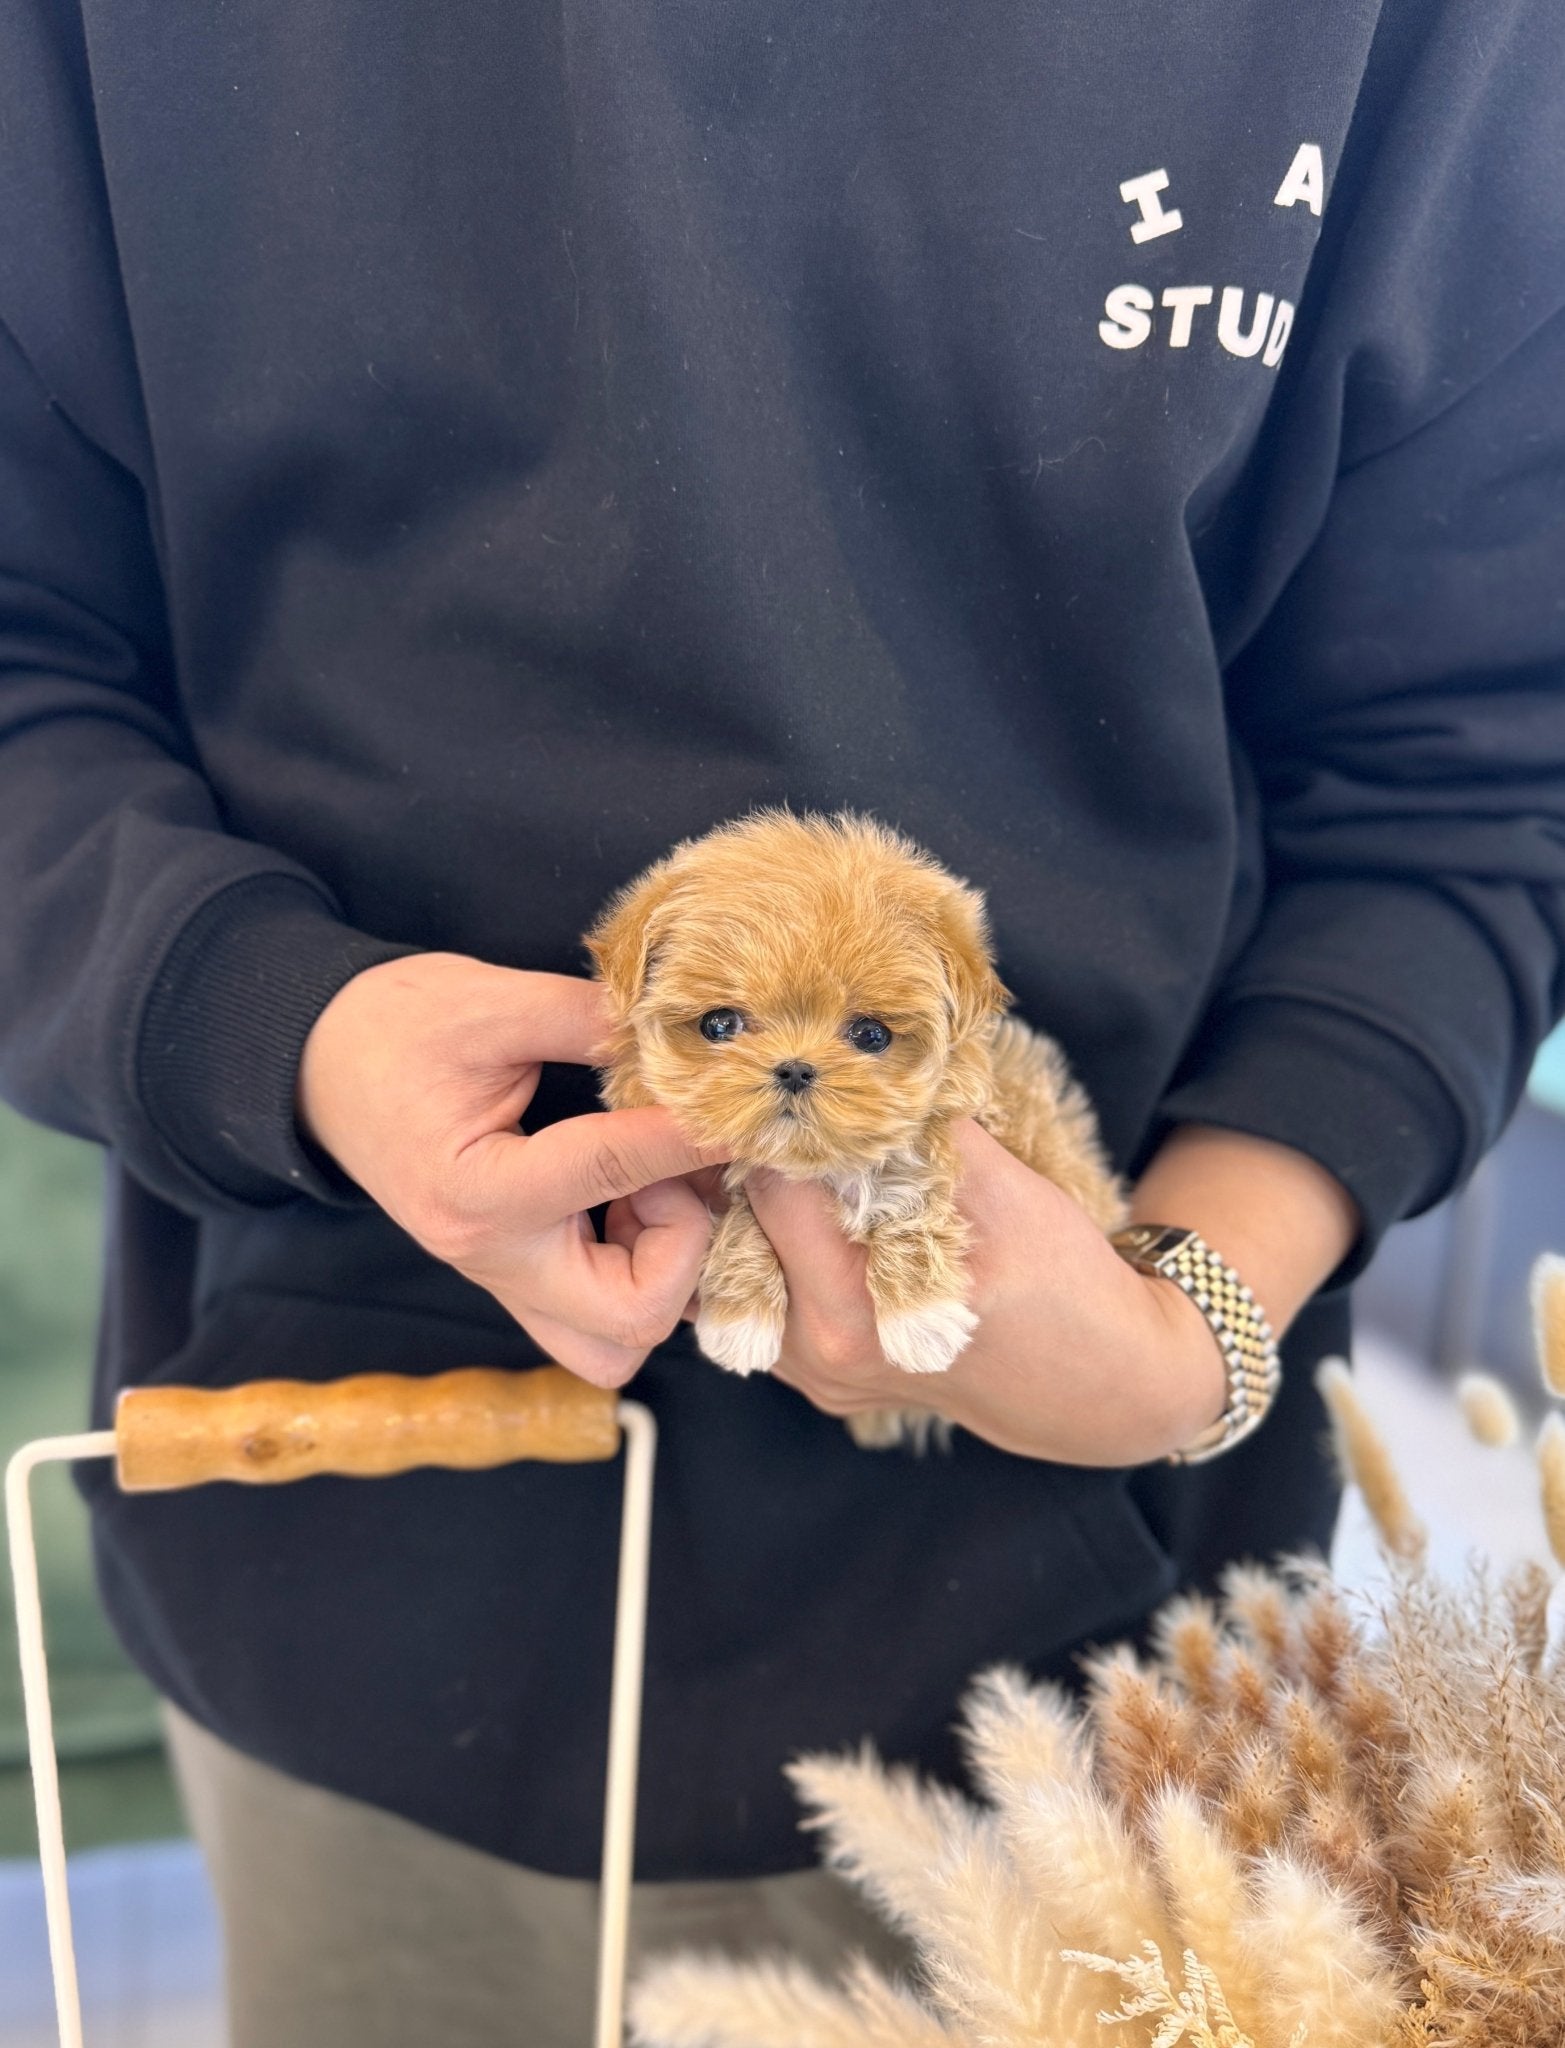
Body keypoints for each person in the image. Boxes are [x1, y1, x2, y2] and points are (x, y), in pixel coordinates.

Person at [1, 0, 1561, 2041]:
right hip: (336, 1576)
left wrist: (1194, 1326)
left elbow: (1466, 773)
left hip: (1101, 1695)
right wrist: (272, 1022)